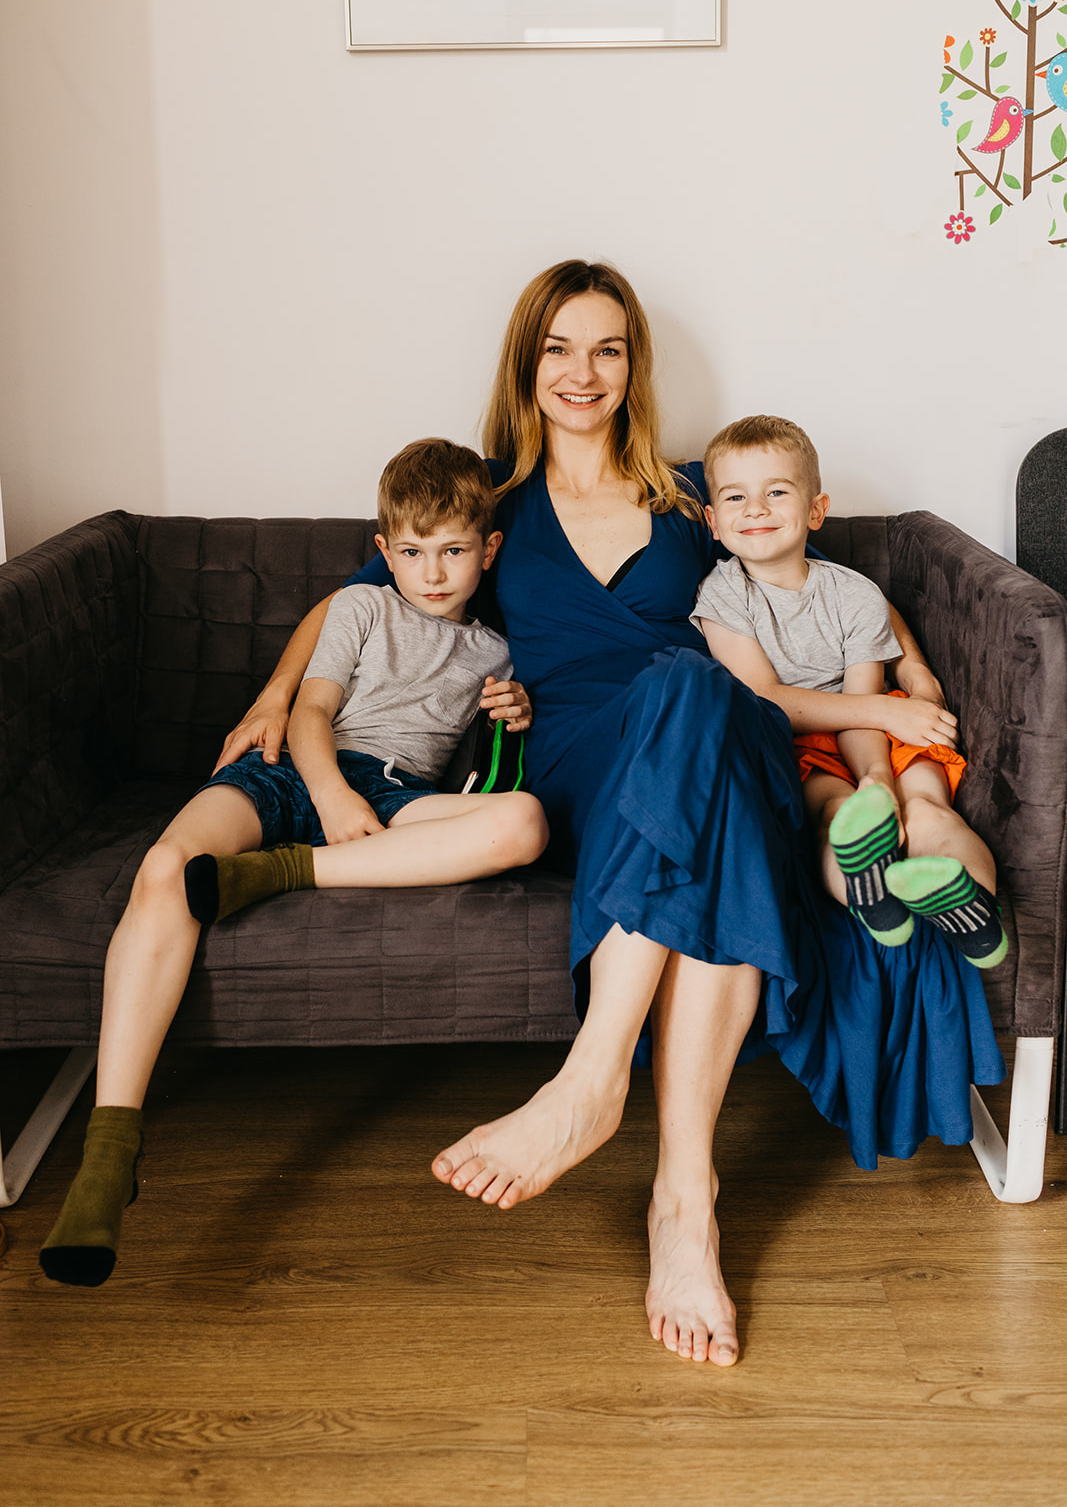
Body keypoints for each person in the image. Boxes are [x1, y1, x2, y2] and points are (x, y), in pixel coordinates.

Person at [208, 261, 1003, 1368]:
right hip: (581, 759)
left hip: (726, 739)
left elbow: (822, 582)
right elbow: (360, 593)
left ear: (633, 366)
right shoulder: (488, 504)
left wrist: (908, 669)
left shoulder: (693, 492)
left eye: (607, 349)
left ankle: (601, 1094)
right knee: (700, 747)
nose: (582, 372)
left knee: (695, 694)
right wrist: (273, 693)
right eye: (558, 349)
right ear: (526, 364)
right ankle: (680, 1198)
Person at [39, 439, 546, 1288]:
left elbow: (487, 762)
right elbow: (311, 713)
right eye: (412, 552)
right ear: (384, 551)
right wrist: (329, 797)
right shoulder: (360, 606)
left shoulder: (493, 651)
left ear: (487, 550)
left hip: (394, 790)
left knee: (523, 823)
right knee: (167, 866)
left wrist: (515, 709)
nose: (432, 572)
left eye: (454, 550)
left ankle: (277, 872)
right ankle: (107, 1148)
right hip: (291, 770)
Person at [692, 415, 1006, 969]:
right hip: (802, 739)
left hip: (882, 726)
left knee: (927, 809)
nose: (756, 509)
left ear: (816, 510)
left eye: (776, 492)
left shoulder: (856, 594)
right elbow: (765, 697)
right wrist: (871, 774)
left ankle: (973, 910)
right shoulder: (723, 596)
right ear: (714, 521)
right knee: (836, 813)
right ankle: (873, 896)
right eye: (736, 496)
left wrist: (878, 776)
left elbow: (865, 697)